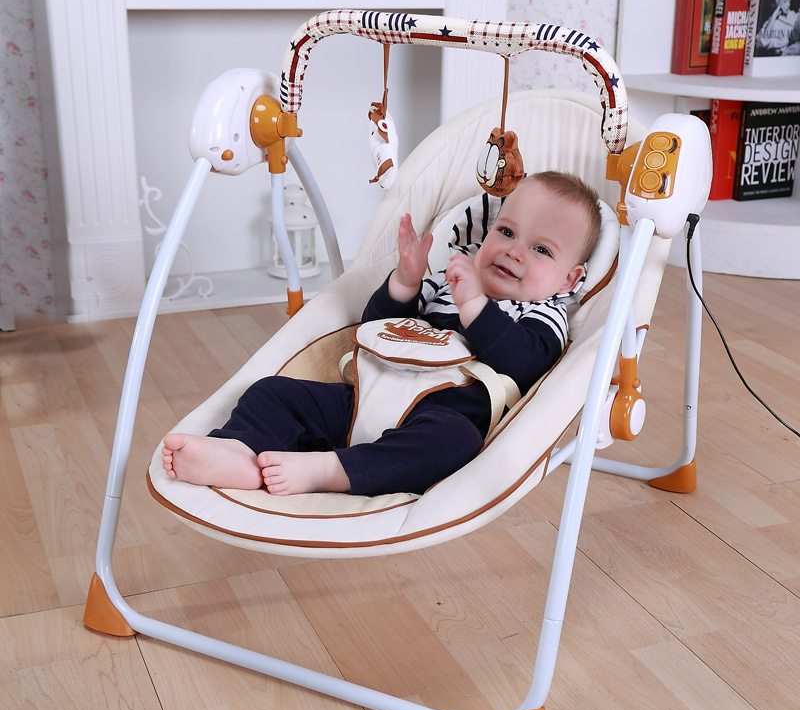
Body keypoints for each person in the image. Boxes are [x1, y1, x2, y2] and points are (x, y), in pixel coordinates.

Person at [161, 170, 602, 497]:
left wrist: (474, 305)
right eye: (506, 231)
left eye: (541, 249)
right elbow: (374, 325)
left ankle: (330, 471)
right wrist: (406, 282)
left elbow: (526, 362)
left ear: (569, 279)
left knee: (456, 444)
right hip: (364, 397)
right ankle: (237, 451)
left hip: (438, 418)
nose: (514, 251)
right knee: (270, 391)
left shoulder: (543, 312)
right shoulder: (447, 280)